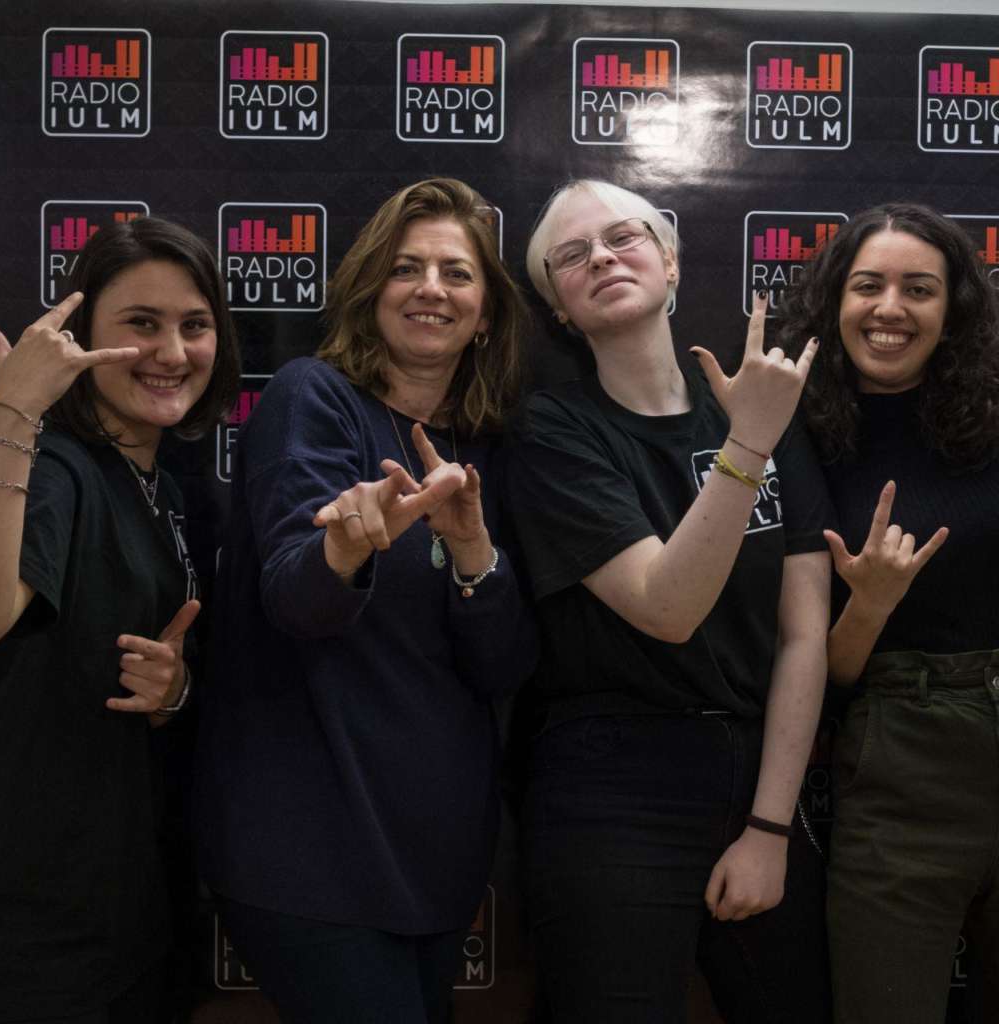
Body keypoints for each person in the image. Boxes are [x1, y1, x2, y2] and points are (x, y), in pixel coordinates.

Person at [193, 177, 537, 1023]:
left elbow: (502, 665)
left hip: (436, 857)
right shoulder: (313, 396)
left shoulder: (488, 445)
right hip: (308, 852)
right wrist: (346, 545)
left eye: (456, 273)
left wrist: (470, 548)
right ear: (368, 290)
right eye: (405, 268)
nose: (430, 288)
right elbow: (295, 601)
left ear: (487, 311)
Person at [504, 179, 833, 1023]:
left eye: (624, 237)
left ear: (671, 262)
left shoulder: (765, 408)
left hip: (764, 773)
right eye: (571, 255)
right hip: (614, 785)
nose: (603, 257)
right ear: (560, 308)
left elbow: (804, 636)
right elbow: (666, 606)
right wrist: (748, 444)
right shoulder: (552, 431)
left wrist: (768, 826)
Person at [0, 216, 240, 1023]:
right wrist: (13, 408)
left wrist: (178, 691)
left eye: (194, 326)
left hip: (137, 916)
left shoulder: (176, 483)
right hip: (35, 934)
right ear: (84, 337)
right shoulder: (55, 467)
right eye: (140, 325)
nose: (171, 352)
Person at [778, 202, 999, 1024]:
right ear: (835, 301)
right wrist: (869, 607)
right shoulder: (794, 434)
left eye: (920, 289)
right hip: (899, 756)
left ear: (955, 309)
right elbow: (817, 673)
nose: (891, 309)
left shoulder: (993, 418)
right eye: (868, 285)